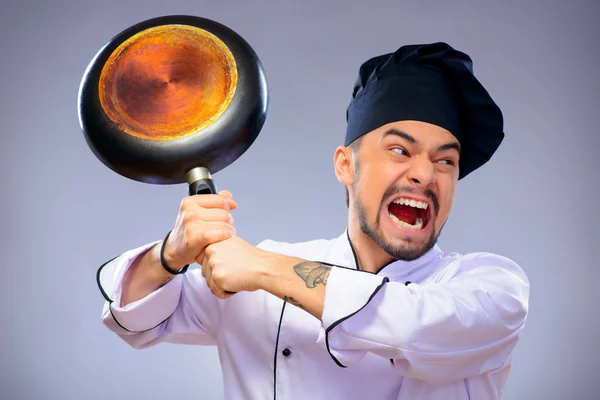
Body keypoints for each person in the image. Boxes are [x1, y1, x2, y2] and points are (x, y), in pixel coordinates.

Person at [97, 42, 530, 399]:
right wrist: (171, 254)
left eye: (446, 161)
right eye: (400, 150)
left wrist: (262, 269)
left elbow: (410, 323)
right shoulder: (253, 277)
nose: (424, 173)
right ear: (346, 166)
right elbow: (135, 318)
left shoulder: (493, 289)